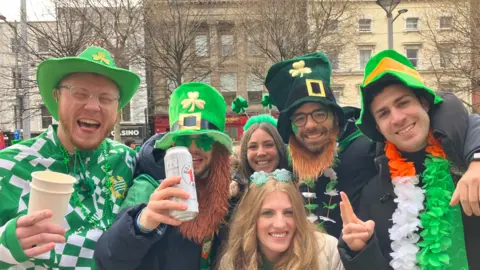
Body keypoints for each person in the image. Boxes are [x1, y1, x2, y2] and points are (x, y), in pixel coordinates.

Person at [338, 50, 480, 269]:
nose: (397, 118)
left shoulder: (466, 163)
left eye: (403, 103)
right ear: (378, 127)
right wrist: (361, 251)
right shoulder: (374, 193)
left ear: (424, 103)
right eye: (384, 113)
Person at [0, 46, 140, 269]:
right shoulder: (7, 165)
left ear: (117, 109)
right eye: (80, 93)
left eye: (106, 98)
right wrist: (6, 243)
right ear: (57, 96)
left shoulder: (128, 161)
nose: (93, 106)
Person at [94, 82, 233, 269]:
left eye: (204, 139)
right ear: (172, 145)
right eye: (184, 139)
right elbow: (109, 260)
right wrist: (141, 224)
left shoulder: (224, 191)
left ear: (218, 148)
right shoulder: (149, 187)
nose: (193, 148)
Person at [265, 52, 377, 237]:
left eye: (319, 114)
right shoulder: (288, 162)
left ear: (335, 117)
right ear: (291, 127)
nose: (310, 125)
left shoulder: (368, 151)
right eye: (299, 118)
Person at [218, 169, 343, 270]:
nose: (280, 224)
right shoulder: (232, 262)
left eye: (289, 212)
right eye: (268, 213)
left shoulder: (327, 251)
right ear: (251, 218)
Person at [230, 114, 289, 197]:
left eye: (268, 145)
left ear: (281, 148)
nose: (261, 153)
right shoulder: (230, 196)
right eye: (253, 147)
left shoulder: (304, 189)